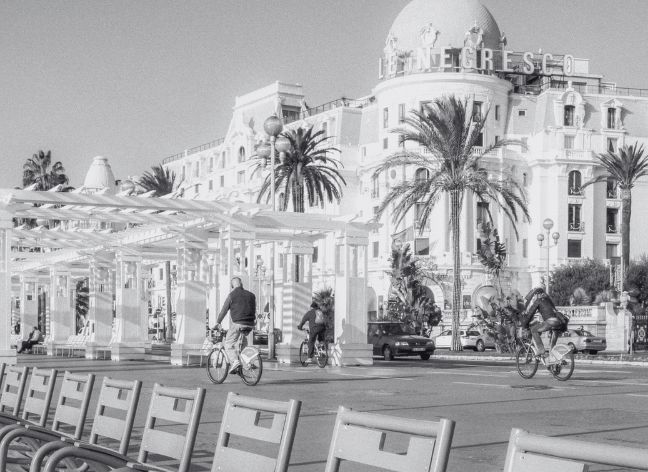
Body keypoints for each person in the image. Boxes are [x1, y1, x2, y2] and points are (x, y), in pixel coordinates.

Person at [214, 277, 256, 373]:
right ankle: (247, 363)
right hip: (250, 324)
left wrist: (218, 322)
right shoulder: (251, 295)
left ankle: (235, 362)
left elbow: (224, 311)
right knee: (243, 344)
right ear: (241, 284)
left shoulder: (232, 295)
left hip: (238, 323)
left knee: (228, 343)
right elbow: (253, 309)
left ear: (232, 286)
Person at [521, 287, 567, 356]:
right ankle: (553, 362)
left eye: (535, 295)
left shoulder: (539, 301)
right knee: (552, 345)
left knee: (534, 329)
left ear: (537, 294)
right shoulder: (549, 300)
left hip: (550, 322)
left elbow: (530, 314)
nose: (535, 297)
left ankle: (541, 349)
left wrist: (524, 325)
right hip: (559, 323)